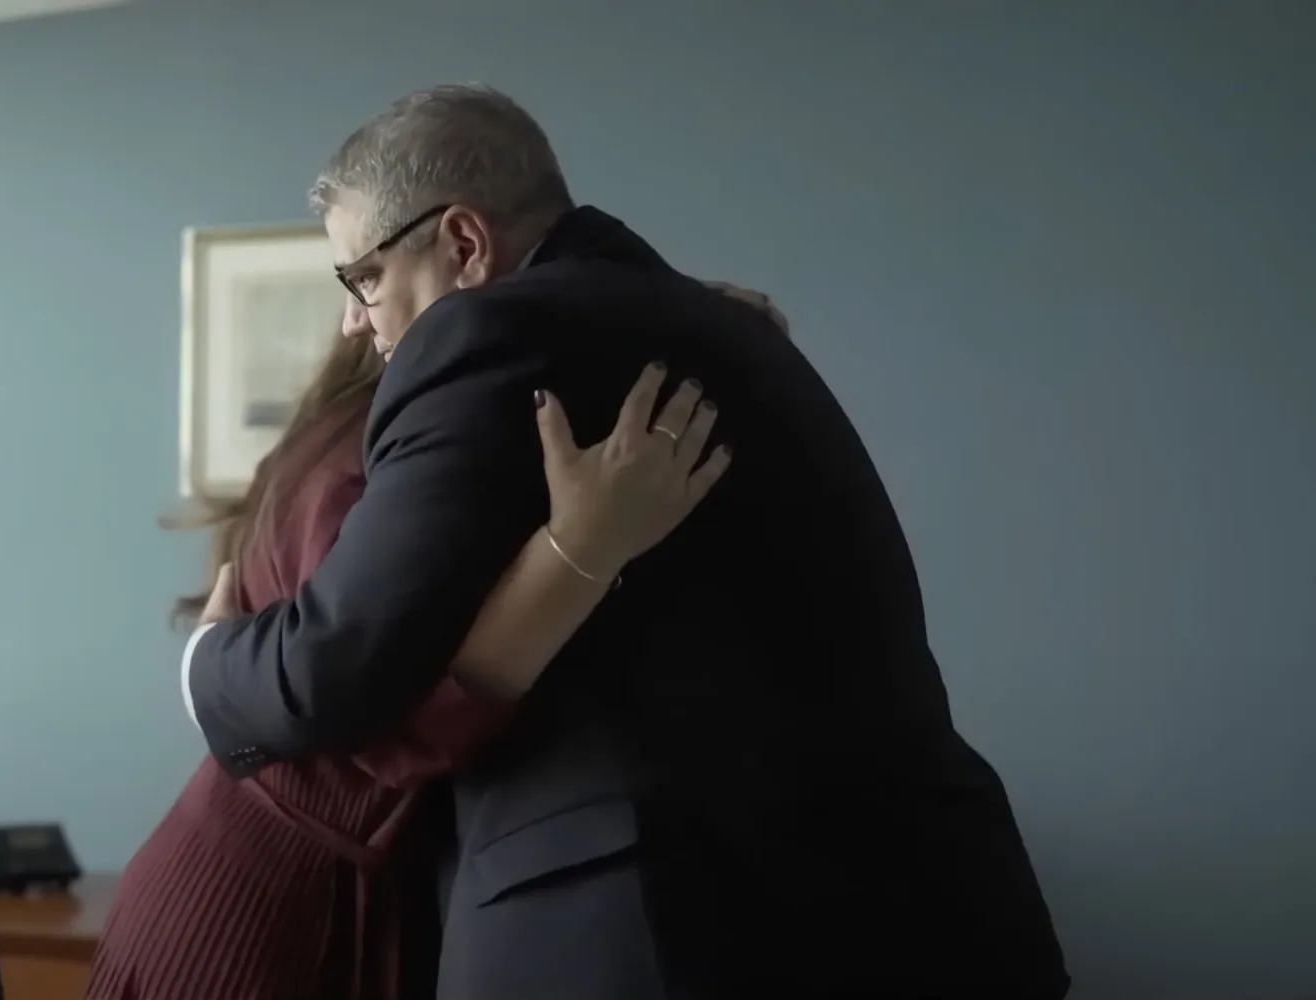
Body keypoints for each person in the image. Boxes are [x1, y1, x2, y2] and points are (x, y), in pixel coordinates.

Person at [183, 84, 1071, 999]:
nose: (353, 318)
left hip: (652, 927)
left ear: (462, 243)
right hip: (931, 909)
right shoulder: (729, 328)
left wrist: (207, 661)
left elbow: (341, 668)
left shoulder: (484, 335)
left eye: (362, 278)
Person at [87, 311, 739, 999]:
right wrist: (582, 549)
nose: (352, 315)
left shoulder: (367, 425)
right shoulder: (390, 454)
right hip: (260, 916)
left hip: (263, 884)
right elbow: (384, 719)